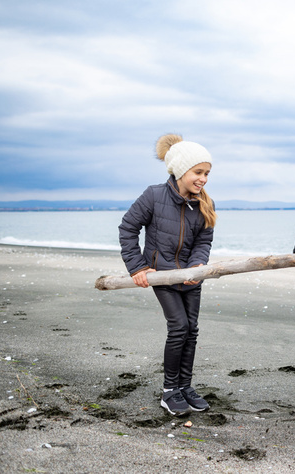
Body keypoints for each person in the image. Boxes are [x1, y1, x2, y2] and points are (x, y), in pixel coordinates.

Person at [119, 133, 217, 416]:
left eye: (207, 173)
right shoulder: (153, 196)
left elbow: (203, 242)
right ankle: (169, 391)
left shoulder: (205, 204)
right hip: (161, 275)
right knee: (179, 328)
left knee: (192, 330)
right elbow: (127, 229)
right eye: (198, 172)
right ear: (181, 170)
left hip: (191, 278)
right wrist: (137, 267)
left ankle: (185, 387)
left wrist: (198, 267)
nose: (204, 179)